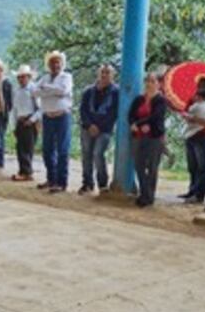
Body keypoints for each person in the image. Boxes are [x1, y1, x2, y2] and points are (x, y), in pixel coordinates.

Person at [34, 51, 74, 193]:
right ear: (49, 64)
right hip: (48, 116)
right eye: (52, 62)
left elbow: (64, 91)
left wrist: (47, 89)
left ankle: (61, 182)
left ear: (62, 64)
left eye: (58, 62)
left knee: (62, 150)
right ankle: (51, 179)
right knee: (47, 150)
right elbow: (35, 91)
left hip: (62, 116)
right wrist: (52, 91)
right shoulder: (44, 78)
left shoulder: (67, 77)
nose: (55, 65)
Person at [78, 64, 119, 195]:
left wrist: (99, 127)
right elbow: (83, 110)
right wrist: (90, 125)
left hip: (105, 130)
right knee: (86, 155)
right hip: (87, 128)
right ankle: (87, 183)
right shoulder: (88, 91)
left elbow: (114, 113)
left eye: (108, 73)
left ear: (113, 75)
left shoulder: (116, 93)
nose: (104, 75)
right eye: (102, 72)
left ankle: (102, 184)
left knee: (98, 154)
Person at [128, 72, 168, 207]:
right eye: (147, 81)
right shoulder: (139, 99)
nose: (149, 84)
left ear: (158, 84)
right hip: (139, 136)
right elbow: (131, 114)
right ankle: (145, 192)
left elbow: (156, 116)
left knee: (152, 167)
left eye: (152, 81)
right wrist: (134, 124)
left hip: (155, 137)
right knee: (138, 165)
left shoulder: (161, 100)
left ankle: (148, 197)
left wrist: (141, 124)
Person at [179, 80, 205, 204]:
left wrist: (202, 121)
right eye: (199, 86)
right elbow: (184, 112)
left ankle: (199, 194)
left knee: (202, 166)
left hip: (202, 135)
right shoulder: (192, 100)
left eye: (203, 86)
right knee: (192, 166)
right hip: (189, 134)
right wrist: (189, 117)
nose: (200, 88)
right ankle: (192, 190)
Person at [10, 64, 40, 182]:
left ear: (28, 77)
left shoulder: (33, 89)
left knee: (27, 148)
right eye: (19, 77)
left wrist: (32, 120)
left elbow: (40, 108)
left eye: (23, 77)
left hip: (29, 121)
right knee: (20, 147)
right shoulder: (16, 91)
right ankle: (23, 170)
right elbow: (14, 109)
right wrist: (13, 125)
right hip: (20, 121)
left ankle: (26, 172)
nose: (21, 79)